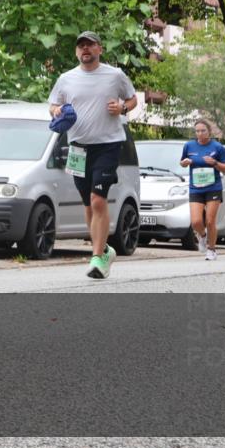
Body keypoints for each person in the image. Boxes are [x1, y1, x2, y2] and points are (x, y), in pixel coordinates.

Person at [49, 31, 136, 280]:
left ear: (99, 48)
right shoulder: (66, 79)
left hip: (108, 145)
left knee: (98, 200)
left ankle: (97, 258)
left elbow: (132, 100)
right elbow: (53, 105)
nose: (85, 49)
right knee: (88, 203)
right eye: (81, 46)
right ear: (77, 52)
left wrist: (122, 108)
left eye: (89, 45)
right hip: (78, 147)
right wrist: (56, 111)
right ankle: (104, 250)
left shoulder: (114, 75)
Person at [180, 120, 225, 261]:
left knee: (210, 221)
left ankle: (212, 249)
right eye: (197, 131)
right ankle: (202, 236)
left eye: (203, 130)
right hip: (195, 188)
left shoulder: (217, 147)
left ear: (209, 131)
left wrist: (214, 163)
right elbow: (182, 162)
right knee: (196, 222)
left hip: (213, 188)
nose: (200, 133)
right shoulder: (189, 146)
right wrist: (184, 163)